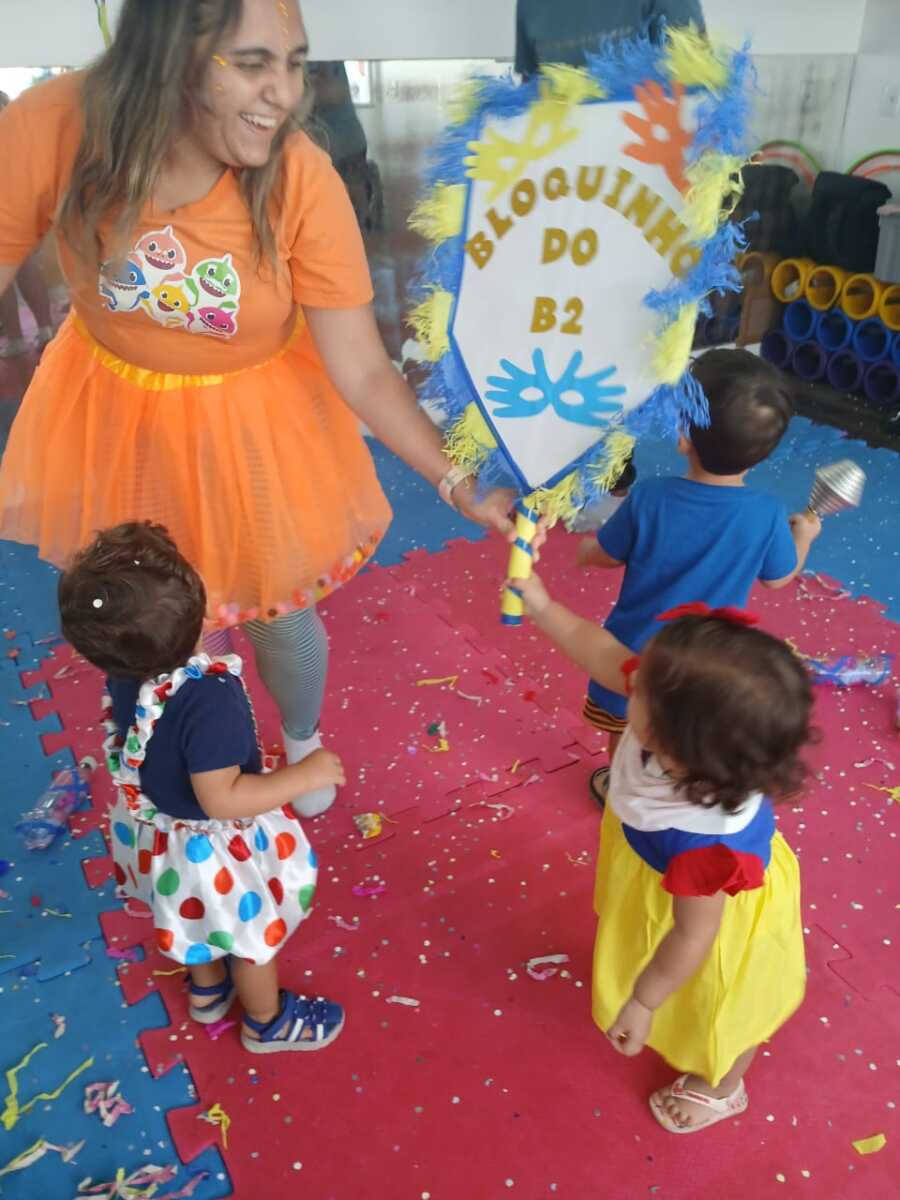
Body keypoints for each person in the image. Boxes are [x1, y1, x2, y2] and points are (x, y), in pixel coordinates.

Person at [0, 0, 514, 820]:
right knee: (158, 614)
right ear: (168, 57)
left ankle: (300, 742)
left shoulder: (298, 176)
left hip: (254, 422)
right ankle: (186, 745)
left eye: (295, 62)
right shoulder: (57, 124)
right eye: (251, 64)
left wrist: (458, 482)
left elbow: (364, 370)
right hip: (114, 414)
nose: (286, 92)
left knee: (281, 613)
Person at [512, 574, 811, 1132]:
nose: (631, 678)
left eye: (641, 687)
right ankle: (655, 983)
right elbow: (600, 651)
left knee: (724, 1009)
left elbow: (693, 936)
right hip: (660, 877)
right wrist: (544, 606)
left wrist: (644, 1001)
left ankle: (723, 1086)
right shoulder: (671, 720)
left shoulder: (706, 844)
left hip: (713, 921)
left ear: (675, 746)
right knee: (655, 951)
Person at [60, 521, 347, 1053]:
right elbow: (223, 799)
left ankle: (208, 991)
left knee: (201, 915)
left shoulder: (127, 670)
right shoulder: (209, 698)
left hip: (161, 835)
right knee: (250, 936)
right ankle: (266, 1022)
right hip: (215, 850)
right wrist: (304, 776)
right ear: (202, 614)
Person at [578, 350, 821, 805]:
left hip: (634, 651)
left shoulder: (650, 497)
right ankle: (677, 791)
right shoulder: (767, 513)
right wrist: (803, 536)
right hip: (709, 662)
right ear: (765, 451)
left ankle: (620, 788)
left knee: (629, 725)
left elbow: (607, 554)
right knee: (687, 727)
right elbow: (778, 578)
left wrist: (586, 551)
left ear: (683, 437)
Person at [515, 0, 705, 79]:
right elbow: (528, 86)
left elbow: (699, 77)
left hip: (646, 142)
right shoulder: (530, 4)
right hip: (562, 145)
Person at [0, 91, 55, 357]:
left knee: (8, 272)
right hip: (21, 198)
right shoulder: (12, 115)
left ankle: (16, 339)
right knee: (24, 265)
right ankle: (46, 329)